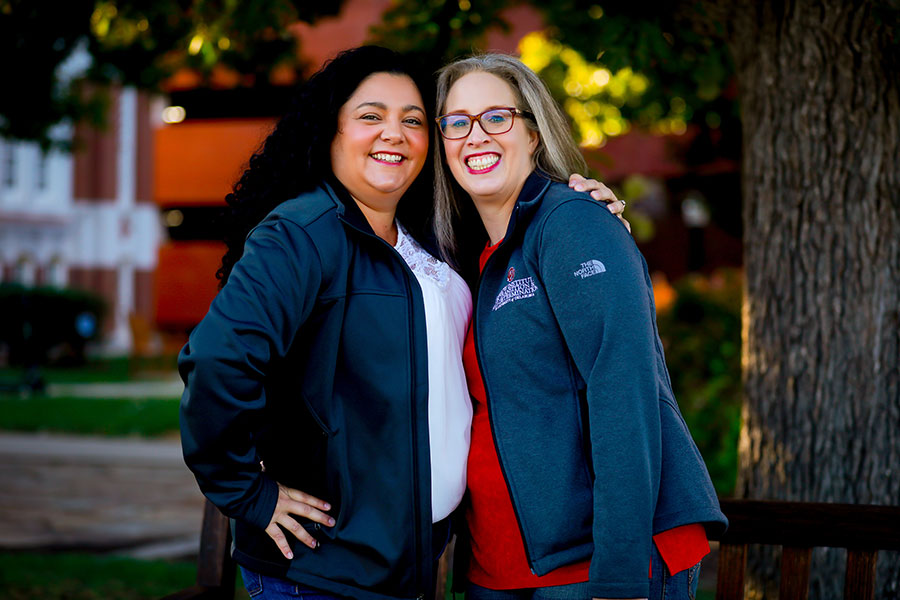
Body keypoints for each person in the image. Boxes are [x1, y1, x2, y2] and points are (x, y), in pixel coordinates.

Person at [179, 46, 620, 600]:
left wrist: (579, 203)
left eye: (413, 121)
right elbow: (218, 361)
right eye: (370, 116)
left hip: (415, 556)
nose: (395, 133)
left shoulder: (431, 244)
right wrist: (247, 491)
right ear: (331, 131)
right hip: (327, 566)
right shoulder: (303, 233)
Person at [431, 54, 728, 600]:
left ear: (534, 132)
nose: (475, 136)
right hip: (499, 565)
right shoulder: (472, 258)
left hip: (592, 564)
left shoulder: (572, 223)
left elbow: (623, 394)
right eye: (456, 122)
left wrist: (618, 575)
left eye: (497, 117)